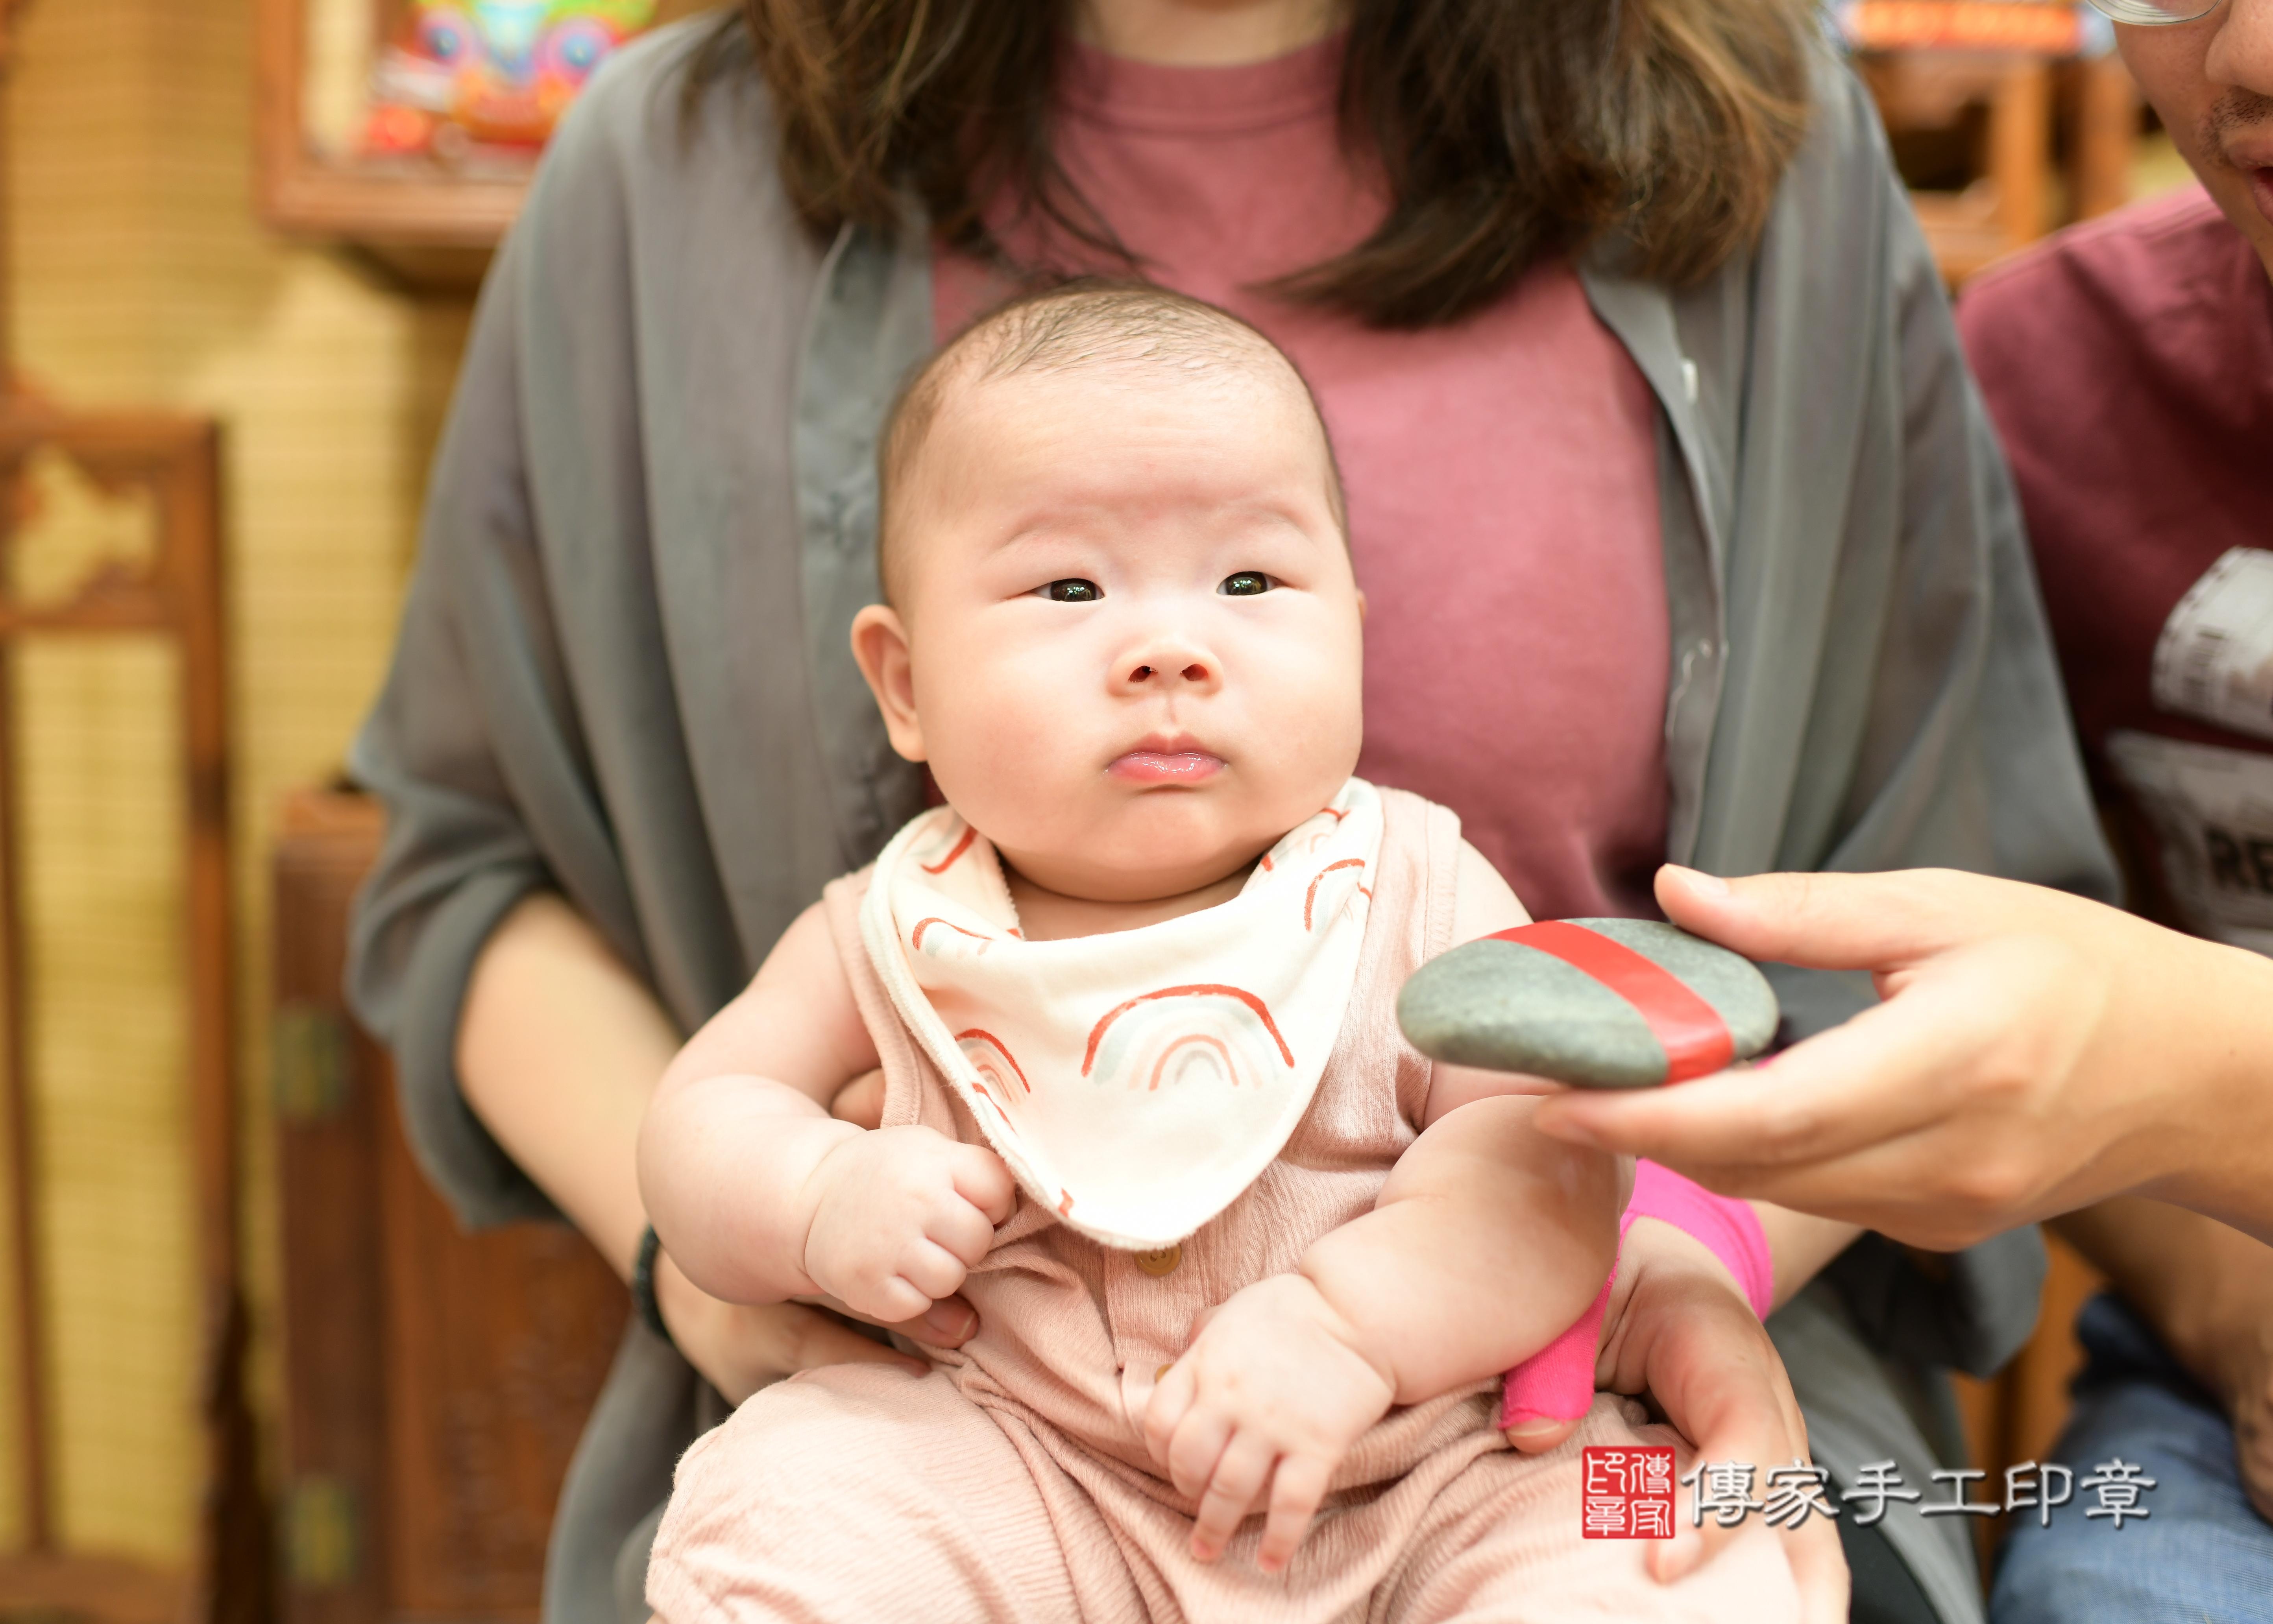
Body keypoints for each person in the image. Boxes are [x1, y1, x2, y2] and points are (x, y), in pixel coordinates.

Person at [344, 2, 2118, 1621]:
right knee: (788, 1532)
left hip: (1507, 1418)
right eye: (1064, 596)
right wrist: (765, 1236)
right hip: (949, 1432)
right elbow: (499, 895)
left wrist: (1660, 1247)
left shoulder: (1762, 139)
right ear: (898, 681)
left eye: (1253, 585)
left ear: (1360, 618)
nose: (1168, 657)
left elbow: (1896, 943)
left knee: (1668, 1567)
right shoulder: (666, 173)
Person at [1526, 7, 2273, 1617]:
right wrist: (2237, 1317)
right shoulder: (2045, 375)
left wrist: (2193, 1071)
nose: (2255, 50)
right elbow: (2012, 984)